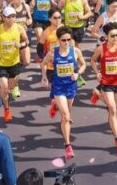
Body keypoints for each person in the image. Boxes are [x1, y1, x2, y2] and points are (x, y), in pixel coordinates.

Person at [41, 26, 86, 161]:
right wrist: (44, 77)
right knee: (66, 116)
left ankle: (55, 106)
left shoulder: (76, 51)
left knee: (66, 112)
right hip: (58, 87)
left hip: (71, 86)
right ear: (58, 40)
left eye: (68, 39)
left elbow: (83, 65)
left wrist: (78, 73)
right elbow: (43, 64)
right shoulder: (53, 53)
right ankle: (68, 146)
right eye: (63, 40)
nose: (66, 42)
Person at [89, 22, 117, 151]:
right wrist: (97, 73)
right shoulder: (101, 48)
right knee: (112, 109)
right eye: (112, 36)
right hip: (106, 82)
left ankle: (97, 94)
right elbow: (92, 60)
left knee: (114, 107)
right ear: (106, 36)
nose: (115, 38)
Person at [0, 6, 28, 122]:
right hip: (1, 63)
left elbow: (26, 40)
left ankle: (14, 85)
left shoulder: (19, 28)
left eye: (13, 16)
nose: (12, 19)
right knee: (4, 88)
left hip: (14, 62)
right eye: (9, 17)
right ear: (3, 18)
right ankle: (6, 109)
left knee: (10, 85)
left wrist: (21, 45)